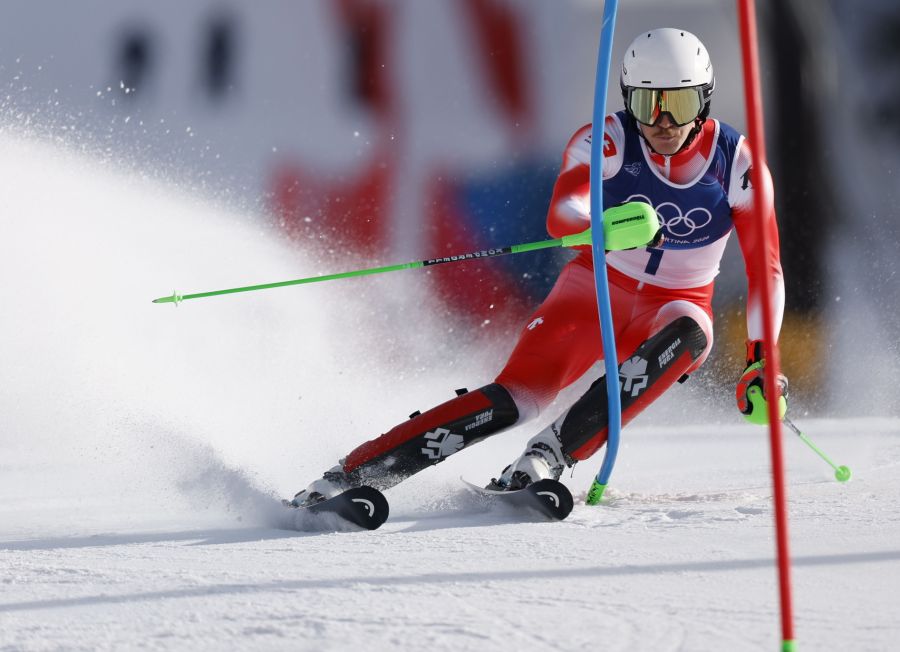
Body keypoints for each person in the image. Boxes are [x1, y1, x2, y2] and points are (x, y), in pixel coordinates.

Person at [291, 27, 787, 505]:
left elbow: (766, 267)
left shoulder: (736, 164)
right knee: (515, 399)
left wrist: (761, 358)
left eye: (676, 104)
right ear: (626, 98)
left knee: (691, 333)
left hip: (677, 304)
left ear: (703, 101)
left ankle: (548, 456)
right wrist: (606, 226)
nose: (661, 122)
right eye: (645, 103)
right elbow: (562, 214)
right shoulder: (608, 139)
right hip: (595, 291)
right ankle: (352, 474)